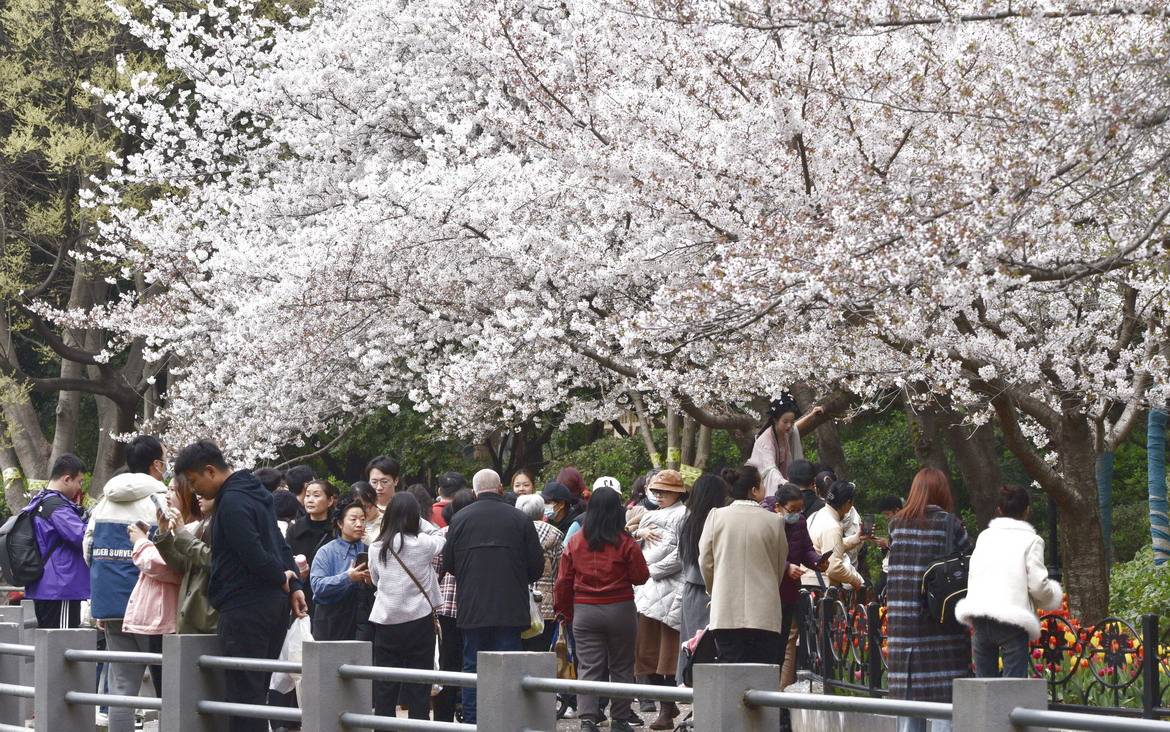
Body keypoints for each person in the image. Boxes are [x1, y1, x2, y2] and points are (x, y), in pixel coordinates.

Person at [175, 440, 306, 732]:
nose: (194, 490)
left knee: (243, 697)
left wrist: (281, 577)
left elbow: (254, 552)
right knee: (255, 692)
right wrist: (293, 582)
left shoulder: (232, 501)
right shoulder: (256, 492)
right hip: (271, 607)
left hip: (245, 607)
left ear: (210, 471)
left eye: (194, 481)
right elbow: (279, 544)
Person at [441, 469, 543, 724]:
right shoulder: (520, 519)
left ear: (475, 492)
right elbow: (536, 566)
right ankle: (508, 719)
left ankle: (473, 720)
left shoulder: (460, 519)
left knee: (472, 666)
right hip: (511, 607)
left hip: (472, 607)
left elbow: (449, 562)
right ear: (500, 488)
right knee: (509, 665)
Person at [85, 435, 169, 732]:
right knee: (168, 685)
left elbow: (89, 549)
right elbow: (170, 553)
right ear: (156, 464)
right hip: (152, 608)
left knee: (121, 687)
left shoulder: (104, 502)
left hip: (109, 604)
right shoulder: (161, 499)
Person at [554, 488, 649, 732]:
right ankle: (619, 719)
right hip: (620, 608)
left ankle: (587, 719)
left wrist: (564, 611)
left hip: (585, 610)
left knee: (588, 666)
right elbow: (641, 576)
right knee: (622, 665)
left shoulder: (575, 542)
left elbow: (563, 581)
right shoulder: (625, 542)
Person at [886, 467, 972, 732]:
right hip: (941, 630)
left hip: (903, 633)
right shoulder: (951, 524)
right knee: (943, 709)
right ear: (942, 491)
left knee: (909, 709)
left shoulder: (895, 526)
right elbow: (970, 564)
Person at [957, 485, 1062, 678]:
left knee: (984, 688)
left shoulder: (984, 537)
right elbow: (1038, 584)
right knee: (1013, 691)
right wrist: (1053, 596)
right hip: (1012, 619)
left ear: (999, 510)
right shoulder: (1032, 540)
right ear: (1027, 510)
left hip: (981, 615)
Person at [699, 466, 787, 664]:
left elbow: (705, 562)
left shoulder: (716, 517)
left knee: (729, 672)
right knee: (762, 674)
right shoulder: (775, 522)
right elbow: (779, 565)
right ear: (754, 490)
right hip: (764, 611)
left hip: (726, 610)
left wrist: (716, 589)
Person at [369, 492, 446, 719]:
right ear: (415, 517)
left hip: (386, 621)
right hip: (419, 620)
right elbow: (440, 536)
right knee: (419, 682)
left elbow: (375, 579)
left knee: (385, 683)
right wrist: (416, 518)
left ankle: (384, 725)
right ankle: (418, 724)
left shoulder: (377, 547)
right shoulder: (423, 543)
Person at [632, 469, 687, 730]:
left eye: (664, 491)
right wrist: (637, 534)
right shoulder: (647, 514)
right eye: (656, 491)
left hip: (668, 588)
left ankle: (667, 707)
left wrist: (650, 571)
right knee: (647, 655)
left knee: (665, 656)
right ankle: (667, 705)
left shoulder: (684, 516)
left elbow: (681, 554)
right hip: (647, 591)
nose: (659, 496)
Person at [771, 483, 828, 728]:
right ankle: (771, 700)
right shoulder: (767, 521)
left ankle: (781, 704)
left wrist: (818, 561)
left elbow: (805, 549)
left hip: (789, 594)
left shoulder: (800, 523)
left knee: (784, 643)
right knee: (772, 647)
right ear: (778, 507)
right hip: (770, 591)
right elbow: (766, 553)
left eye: (800, 509)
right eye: (792, 509)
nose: (797, 513)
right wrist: (785, 567)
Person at [26, 453, 90, 629]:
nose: (80, 487)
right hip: (61, 586)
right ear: (67, 479)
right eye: (80, 481)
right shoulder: (58, 507)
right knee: (63, 644)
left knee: (51, 645)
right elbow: (82, 536)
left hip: (46, 585)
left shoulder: (40, 500)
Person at [675, 473, 727, 682]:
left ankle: (687, 683)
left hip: (690, 589)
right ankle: (706, 690)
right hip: (711, 589)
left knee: (691, 643)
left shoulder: (686, 521)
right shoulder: (717, 521)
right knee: (708, 645)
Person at [433, 488, 475, 723]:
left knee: (448, 665)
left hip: (447, 606)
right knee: (473, 662)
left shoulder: (443, 535)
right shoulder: (480, 531)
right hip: (475, 608)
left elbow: (435, 572)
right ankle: (471, 716)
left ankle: (442, 719)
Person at [154, 477, 217, 634]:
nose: (198, 495)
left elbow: (215, 561)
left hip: (208, 617)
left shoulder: (221, 521)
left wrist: (181, 533)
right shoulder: (203, 523)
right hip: (190, 614)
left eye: (173, 490)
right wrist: (164, 533)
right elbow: (183, 565)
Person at [309, 497, 372, 641]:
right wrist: (347, 577)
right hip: (331, 621)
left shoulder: (370, 551)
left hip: (361, 622)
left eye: (362, 520)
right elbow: (317, 586)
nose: (359, 524)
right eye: (353, 519)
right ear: (340, 523)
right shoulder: (326, 551)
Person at [745, 393, 824, 497]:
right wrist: (788, 485)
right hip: (762, 489)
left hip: (784, 484)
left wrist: (811, 415)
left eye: (791, 421)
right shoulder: (765, 441)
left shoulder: (785, 431)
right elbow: (770, 471)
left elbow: (796, 427)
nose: (789, 425)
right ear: (775, 420)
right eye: (785, 421)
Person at [516, 494, 564, 652]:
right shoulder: (555, 534)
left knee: (517, 650)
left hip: (518, 601)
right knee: (540, 651)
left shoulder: (513, 531)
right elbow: (559, 571)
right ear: (542, 511)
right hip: (545, 605)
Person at [802, 480, 864, 595]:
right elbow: (834, 569)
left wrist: (855, 539)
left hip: (806, 581)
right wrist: (854, 580)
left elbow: (827, 547)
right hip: (819, 585)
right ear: (848, 503)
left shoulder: (817, 515)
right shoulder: (833, 527)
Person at [285, 478, 338, 611]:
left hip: (331, 595)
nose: (309, 499)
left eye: (316, 495)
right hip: (302, 592)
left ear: (330, 500)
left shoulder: (338, 529)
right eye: (307, 495)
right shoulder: (295, 529)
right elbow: (286, 559)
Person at [122, 520, 181, 638]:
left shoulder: (190, 527)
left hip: (161, 618)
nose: (166, 501)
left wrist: (141, 542)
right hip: (151, 615)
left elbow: (163, 564)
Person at [562, 477, 620, 547]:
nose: (607, 501)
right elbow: (565, 550)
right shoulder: (580, 522)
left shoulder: (625, 518)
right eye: (602, 497)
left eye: (612, 497)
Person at [365, 455, 401, 539]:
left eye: (384, 482)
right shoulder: (362, 509)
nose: (379, 487)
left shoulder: (405, 507)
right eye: (374, 482)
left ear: (396, 480)